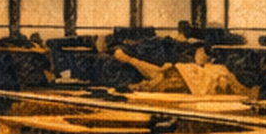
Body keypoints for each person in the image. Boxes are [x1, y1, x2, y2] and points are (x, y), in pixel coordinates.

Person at [109, 38, 255, 98]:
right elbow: (153, 72)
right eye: (140, 86)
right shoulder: (162, 83)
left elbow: (152, 71)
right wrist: (128, 59)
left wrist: (129, 59)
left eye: (139, 85)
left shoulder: (160, 80)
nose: (141, 84)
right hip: (192, 75)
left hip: (191, 73)